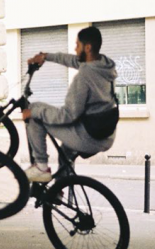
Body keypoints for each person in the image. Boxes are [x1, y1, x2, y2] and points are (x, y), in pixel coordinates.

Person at [21, 26, 119, 182]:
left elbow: (68, 115)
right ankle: (59, 190)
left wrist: (32, 113)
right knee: (65, 152)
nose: (75, 48)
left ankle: (41, 167)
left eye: (77, 45)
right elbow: (72, 60)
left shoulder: (85, 77)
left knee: (35, 111)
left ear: (87, 47)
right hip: (106, 134)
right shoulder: (104, 65)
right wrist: (46, 56)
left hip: (90, 137)